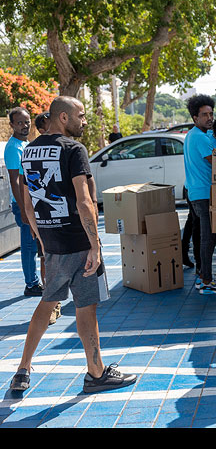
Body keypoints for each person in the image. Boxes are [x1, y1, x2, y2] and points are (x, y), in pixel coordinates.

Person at [10, 96, 137, 393]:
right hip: (78, 241)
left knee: (47, 304)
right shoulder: (73, 149)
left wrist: (43, 240)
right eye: (80, 115)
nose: (84, 120)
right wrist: (95, 245)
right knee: (86, 309)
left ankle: (22, 369)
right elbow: (83, 200)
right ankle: (96, 373)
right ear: (63, 117)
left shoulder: (29, 151)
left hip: (52, 242)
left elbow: (29, 205)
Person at [183, 94, 216, 294]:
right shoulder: (199, 137)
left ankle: (203, 277)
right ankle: (207, 280)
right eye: (204, 115)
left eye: (211, 114)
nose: (209, 118)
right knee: (207, 237)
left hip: (196, 191)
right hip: (203, 193)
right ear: (195, 118)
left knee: (206, 236)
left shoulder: (195, 135)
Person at [4, 107, 43, 297]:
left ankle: (34, 281)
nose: (24, 125)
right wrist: (23, 208)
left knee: (33, 244)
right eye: (19, 122)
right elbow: (15, 180)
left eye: (26, 121)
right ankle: (31, 284)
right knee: (29, 245)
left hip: (31, 203)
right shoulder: (13, 148)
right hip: (23, 205)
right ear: (11, 124)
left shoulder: (25, 144)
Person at [33, 110, 61, 325]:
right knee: (46, 258)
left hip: (61, 217)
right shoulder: (31, 150)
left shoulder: (64, 148)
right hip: (44, 216)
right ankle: (52, 303)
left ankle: (55, 301)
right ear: (42, 130)